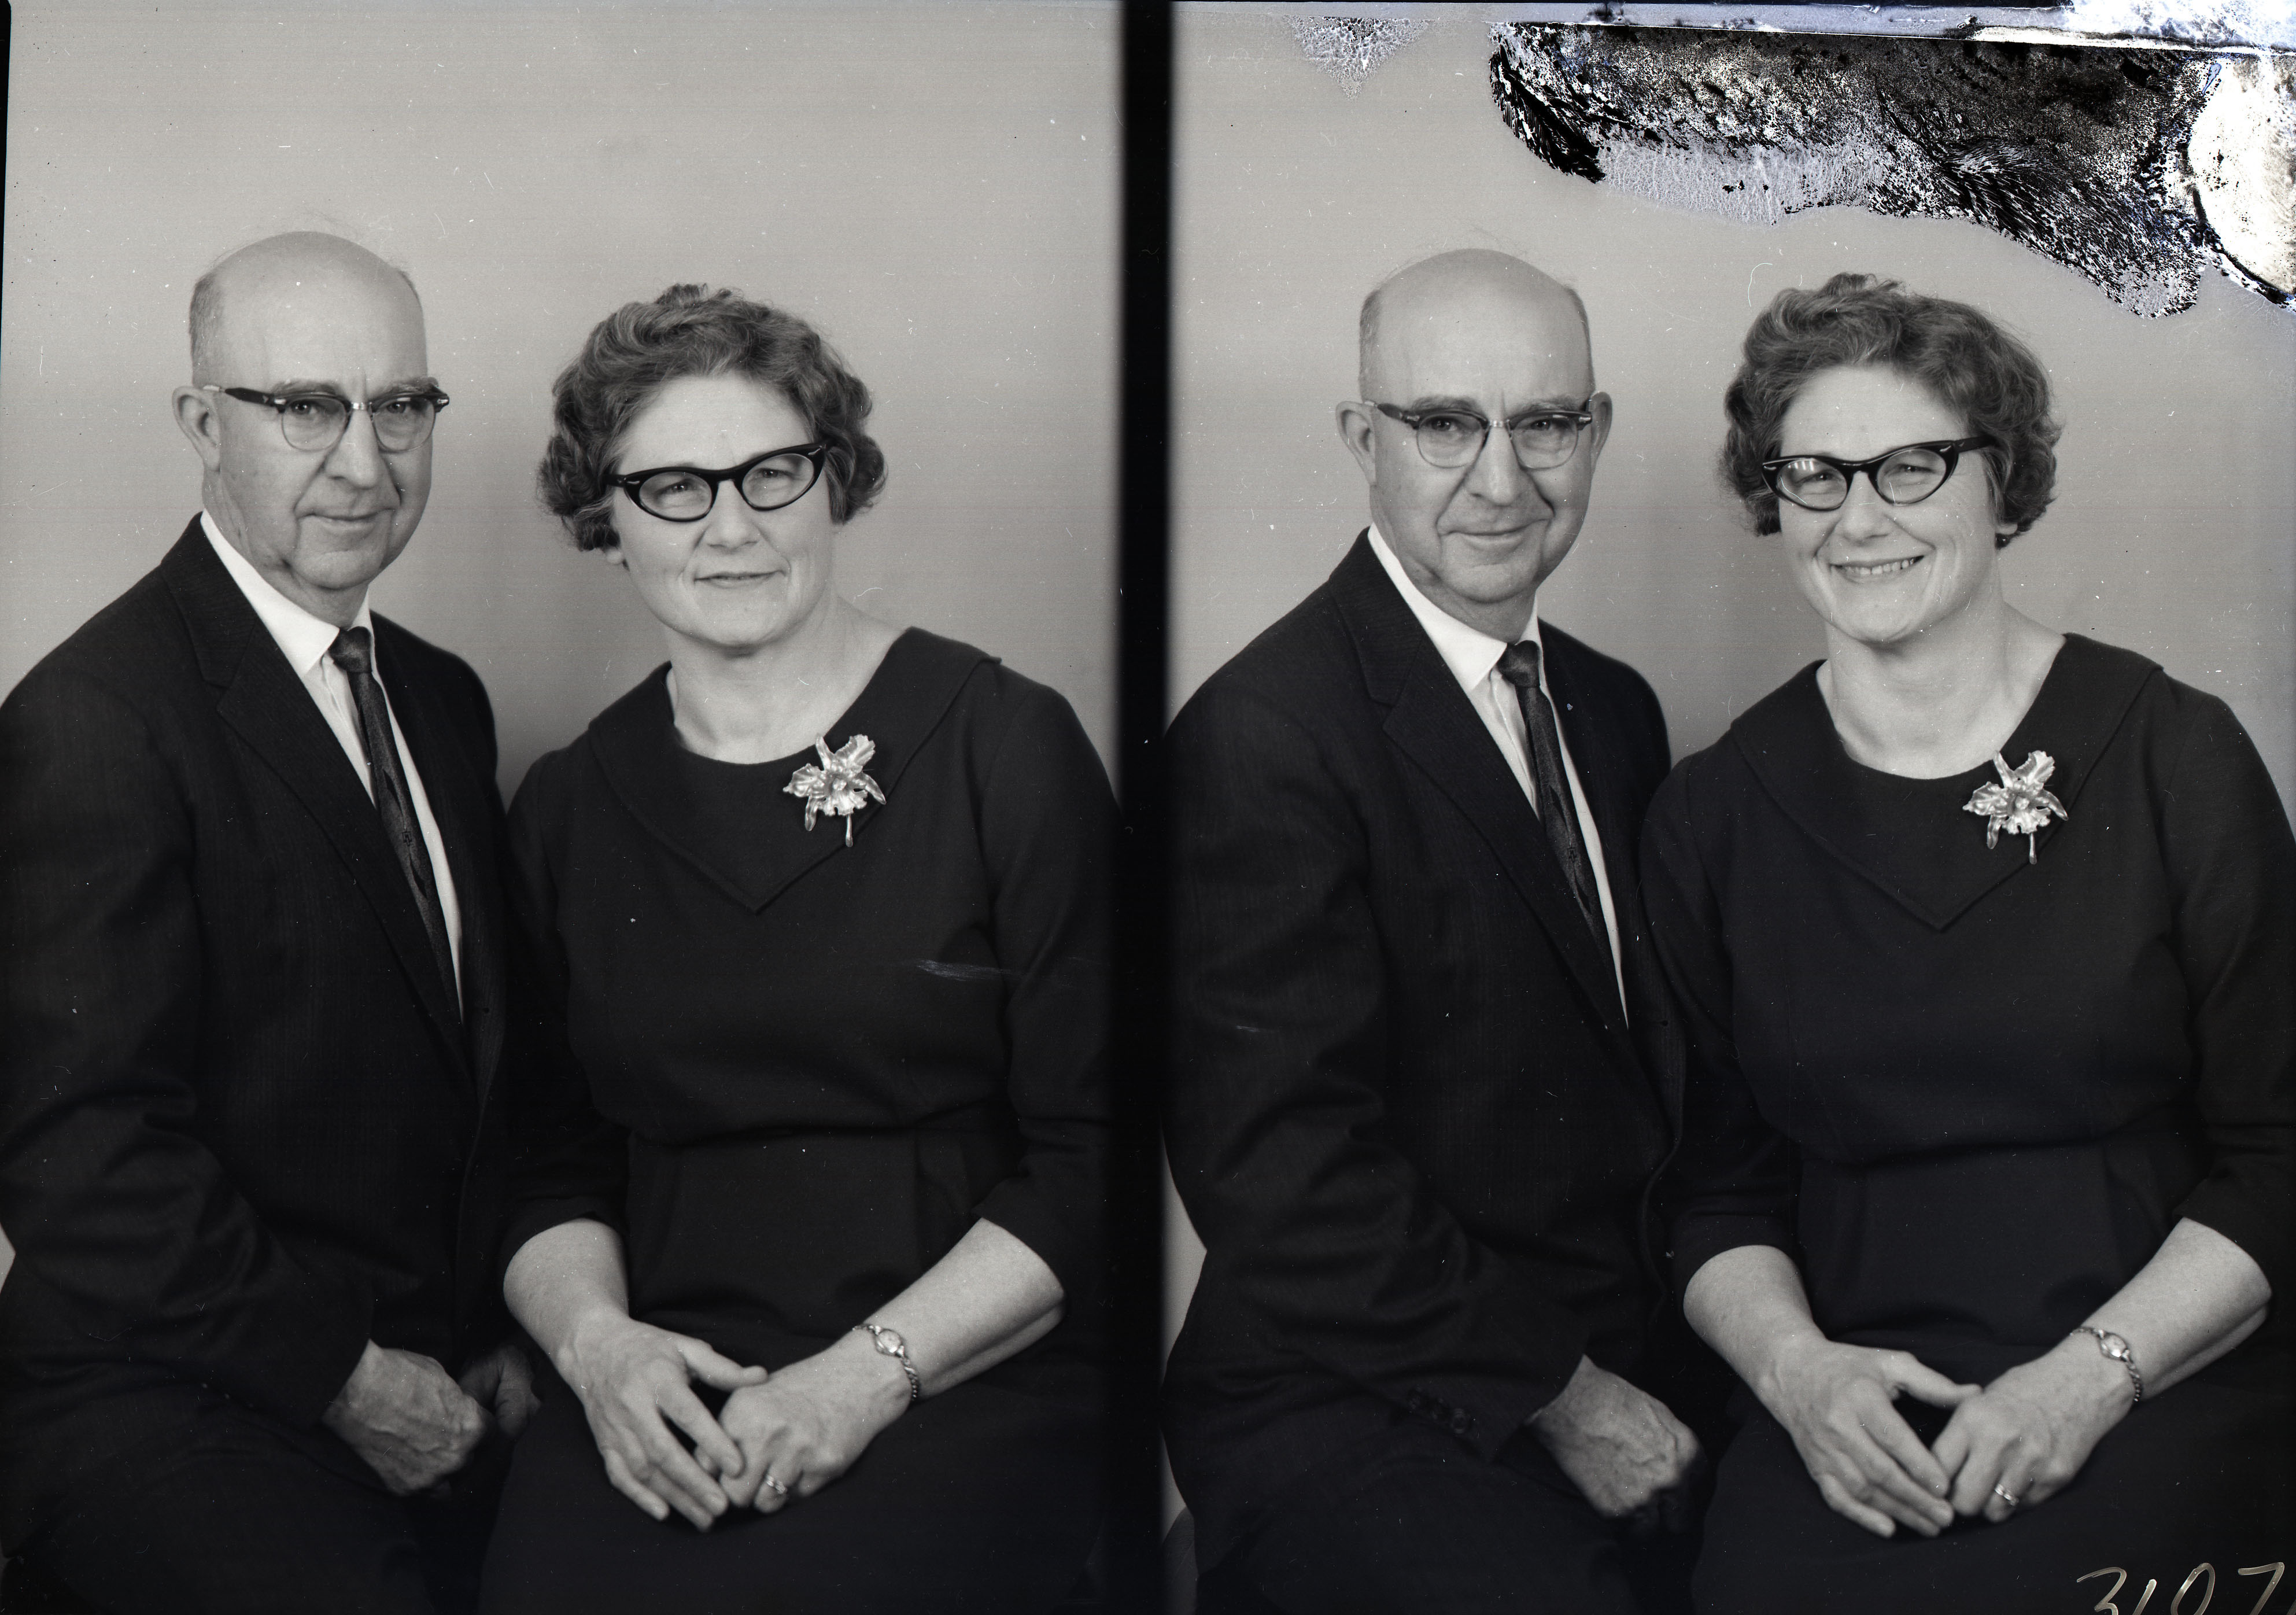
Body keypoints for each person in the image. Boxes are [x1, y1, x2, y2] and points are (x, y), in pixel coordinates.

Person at [1643, 273, 2294, 1612]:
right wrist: (1796, 1377)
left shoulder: (2173, 757)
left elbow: (2282, 1155)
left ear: (2001, 483)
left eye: (1911, 466)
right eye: (1814, 476)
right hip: (1853, 1414)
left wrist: (2084, 1383)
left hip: (2152, 1384)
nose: (1857, 517)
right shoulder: (1711, 814)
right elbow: (1711, 1192)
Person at [476, 285, 1114, 1614]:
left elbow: (1091, 1158)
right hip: (665, 1384)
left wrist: (860, 1380)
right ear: (605, 520)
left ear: (836, 483)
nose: (732, 527)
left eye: (773, 472)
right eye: (673, 489)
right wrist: (601, 1354)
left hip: (956, 1368)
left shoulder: (1004, 745)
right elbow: (545, 1167)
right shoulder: (567, 807)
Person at [1162, 249, 1714, 1615]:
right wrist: (1568, 1399)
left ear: (1596, 431)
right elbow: (1281, 1172)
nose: (1500, 479)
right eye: (1443, 424)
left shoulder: (1613, 708)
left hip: (1627, 1353)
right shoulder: (1262, 735)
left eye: (1544, 423)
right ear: (1363, 439)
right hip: (1358, 1400)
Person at [0, 232, 536, 1614]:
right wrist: (349, 1381)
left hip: (436, 1374)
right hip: (168, 1396)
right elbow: (80, 1156)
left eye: (401, 406)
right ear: (202, 425)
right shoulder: (92, 720)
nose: (365, 462)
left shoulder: (441, 698)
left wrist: (505, 1325)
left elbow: (469, 1078)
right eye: (305, 407)